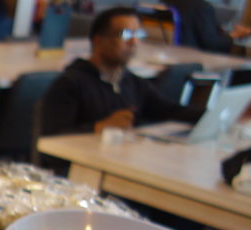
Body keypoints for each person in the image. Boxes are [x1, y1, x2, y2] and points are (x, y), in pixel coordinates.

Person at [40, 6, 204, 136]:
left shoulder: (132, 82)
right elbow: (50, 137)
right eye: (125, 34)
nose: (134, 41)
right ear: (98, 40)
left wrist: (211, 117)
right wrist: (98, 127)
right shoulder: (71, 83)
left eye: (138, 34)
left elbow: (169, 110)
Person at [167, 0, 251, 54]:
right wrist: (235, 34)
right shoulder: (201, 7)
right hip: (194, 60)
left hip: (169, 54)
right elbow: (212, 44)